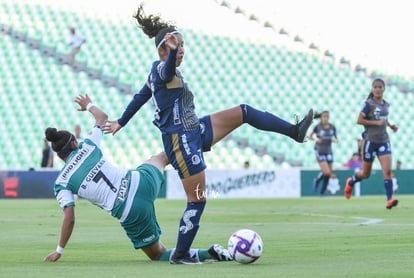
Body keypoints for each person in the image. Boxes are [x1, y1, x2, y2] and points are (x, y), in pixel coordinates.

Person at [104, 4, 314, 264]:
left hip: (194, 130)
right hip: (180, 141)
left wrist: (121, 122)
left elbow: (140, 97)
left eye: (181, 45)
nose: (180, 50)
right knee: (198, 199)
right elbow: (165, 72)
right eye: (174, 46)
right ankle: (180, 254)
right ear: (162, 50)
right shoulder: (161, 69)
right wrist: (169, 55)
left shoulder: (155, 72)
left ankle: (295, 131)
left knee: (244, 112)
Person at [43, 94, 232, 264]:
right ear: (75, 143)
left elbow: (69, 218)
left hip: (130, 211)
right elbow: (102, 118)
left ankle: (208, 253)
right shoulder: (87, 145)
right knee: (163, 156)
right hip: (140, 181)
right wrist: (89, 104)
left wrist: (59, 250)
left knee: (158, 254)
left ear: (59, 156)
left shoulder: (62, 182)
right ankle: (195, 140)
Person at [344, 78, 399, 209]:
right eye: (375, 87)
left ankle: (389, 199)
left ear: (384, 89)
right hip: (370, 142)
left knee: (387, 171)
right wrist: (376, 123)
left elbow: (383, 119)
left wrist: (391, 126)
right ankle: (351, 181)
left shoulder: (386, 105)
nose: (378, 89)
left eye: (380, 87)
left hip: (384, 141)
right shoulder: (368, 104)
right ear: (372, 89)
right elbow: (359, 120)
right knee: (365, 174)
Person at [309, 111, 337, 196]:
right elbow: (310, 136)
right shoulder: (318, 127)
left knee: (328, 173)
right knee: (327, 172)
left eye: (327, 116)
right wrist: (317, 140)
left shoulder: (332, 127)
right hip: (320, 150)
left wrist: (334, 140)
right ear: (321, 117)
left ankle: (322, 192)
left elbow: (336, 138)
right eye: (324, 116)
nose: (325, 118)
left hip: (328, 151)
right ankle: (317, 181)